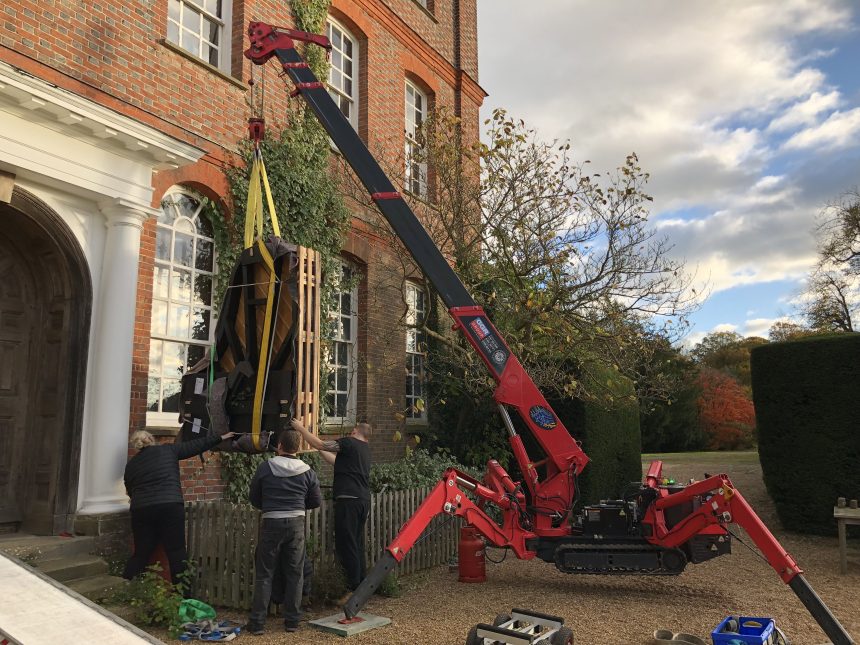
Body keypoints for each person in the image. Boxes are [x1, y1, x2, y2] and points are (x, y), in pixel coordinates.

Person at [123, 429, 235, 585]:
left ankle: (126, 585)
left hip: (141, 509)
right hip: (169, 505)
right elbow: (195, 446)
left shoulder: (131, 465)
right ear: (151, 439)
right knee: (176, 552)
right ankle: (183, 596)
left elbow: (129, 490)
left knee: (141, 553)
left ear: (136, 445)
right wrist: (221, 436)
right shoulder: (168, 449)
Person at [247, 429, 322, 635]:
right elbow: (316, 500)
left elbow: (254, 497)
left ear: (279, 445)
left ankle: (257, 624)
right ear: (298, 447)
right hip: (296, 524)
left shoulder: (265, 468)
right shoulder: (307, 471)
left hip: (271, 522)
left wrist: (270, 505)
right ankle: (292, 622)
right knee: (295, 573)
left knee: (264, 574)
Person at [291, 418, 371, 597]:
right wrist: (319, 449)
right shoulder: (364, 450)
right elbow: (334, 460)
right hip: (362, 500)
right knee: (356, 543)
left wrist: (300, 428)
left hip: (349, 501)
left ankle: (353, 590)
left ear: (355, 431)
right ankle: (361, 585)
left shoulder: (350, 443)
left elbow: (321, 443)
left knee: (347, 544)